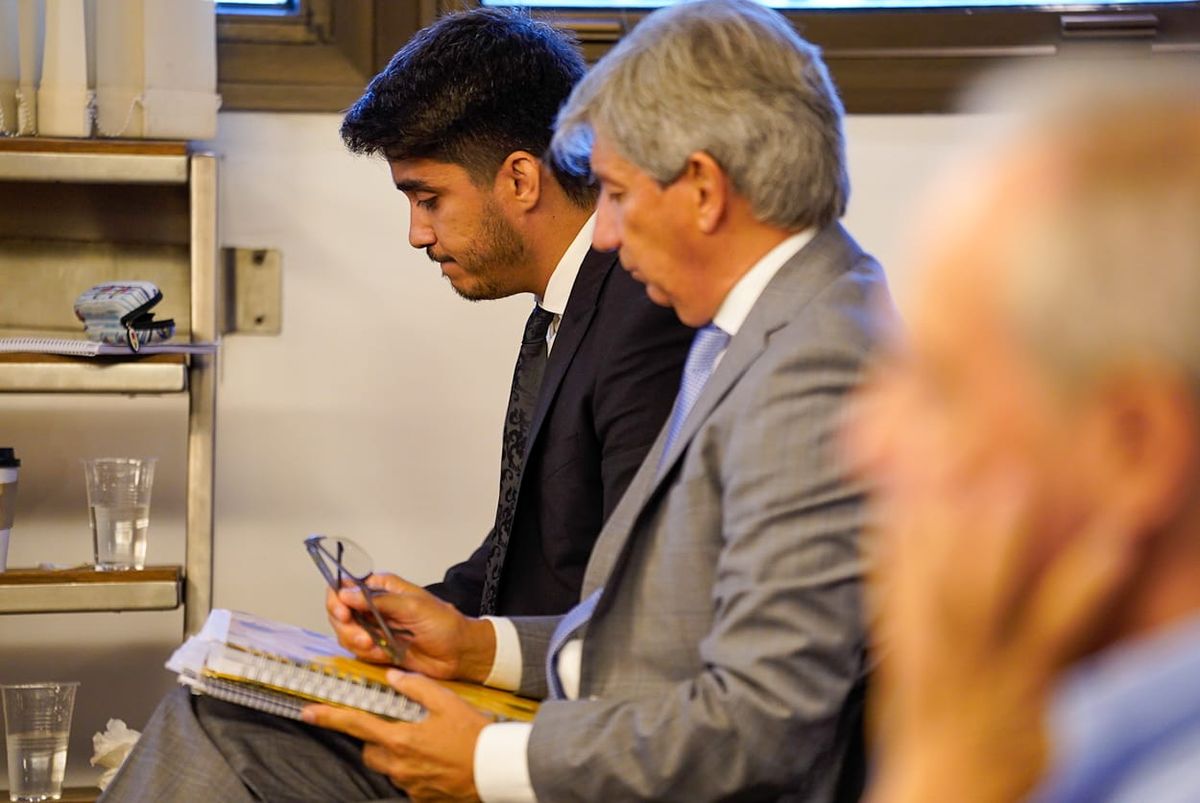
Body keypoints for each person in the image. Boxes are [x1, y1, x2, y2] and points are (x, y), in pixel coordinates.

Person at [101, 1, 888, 799]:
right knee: (218, 713)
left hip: (597, 764)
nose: (603, 234)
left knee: (218, 735)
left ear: (703, 192)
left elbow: (762, 727)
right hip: (586, 731)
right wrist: (476, 649)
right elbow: (655, 637)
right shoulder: (760, 330)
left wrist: (488, 763)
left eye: (614, 192)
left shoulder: (809, 365)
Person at [850, 63, 1200, 803]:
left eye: (937, 385)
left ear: (1135, 447)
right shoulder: (1058, 715)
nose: (864, 441)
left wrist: (937, 767)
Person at [339, 8, 692, 618]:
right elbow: (524, 558)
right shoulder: (572, 304)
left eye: (429, 199)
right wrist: (418, 617)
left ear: (522, 180)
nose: (417, 234)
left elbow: (636, 607)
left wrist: (475, 658)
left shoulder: (646, 316)